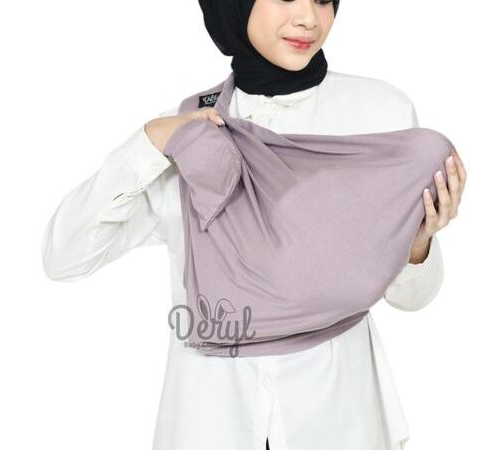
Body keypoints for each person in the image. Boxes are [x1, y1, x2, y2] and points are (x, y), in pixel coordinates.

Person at [40, 0, 467, 449]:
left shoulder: (380, 116)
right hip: (212, 422)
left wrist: (418, 242)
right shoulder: (189, 132)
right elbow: (63, 257)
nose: (308, 18)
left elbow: (413, 298)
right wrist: (150, 141)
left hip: (337, 417)